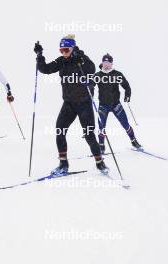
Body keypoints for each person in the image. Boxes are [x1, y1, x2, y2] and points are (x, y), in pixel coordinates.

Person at [34, 35, 108, 175]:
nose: (63, 53)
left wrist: (88, 79)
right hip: (69, 103)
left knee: (88, 134)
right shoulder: (61, 61)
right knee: (60, 131)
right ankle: (63, 164)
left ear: (72, 48)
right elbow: (45, 69)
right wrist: (39, 55)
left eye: (66, 50)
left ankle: (100, 163)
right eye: (61, 50)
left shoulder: (82, 60)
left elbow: (92, 72)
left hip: (84, 103)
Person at [93, 53, 141, 154]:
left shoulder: (117, 74)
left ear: (111, 64)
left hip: (116, 105)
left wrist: (127, 95)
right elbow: (91, 86)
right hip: (103, 106)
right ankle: (101, 145)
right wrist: (88, 87)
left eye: (108, 62)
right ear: (102, 63)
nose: (106, 64)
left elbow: (126, 86)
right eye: (104, 62)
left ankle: (133, 140)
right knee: (101, 126)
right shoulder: (98, 75)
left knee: (125, 124)